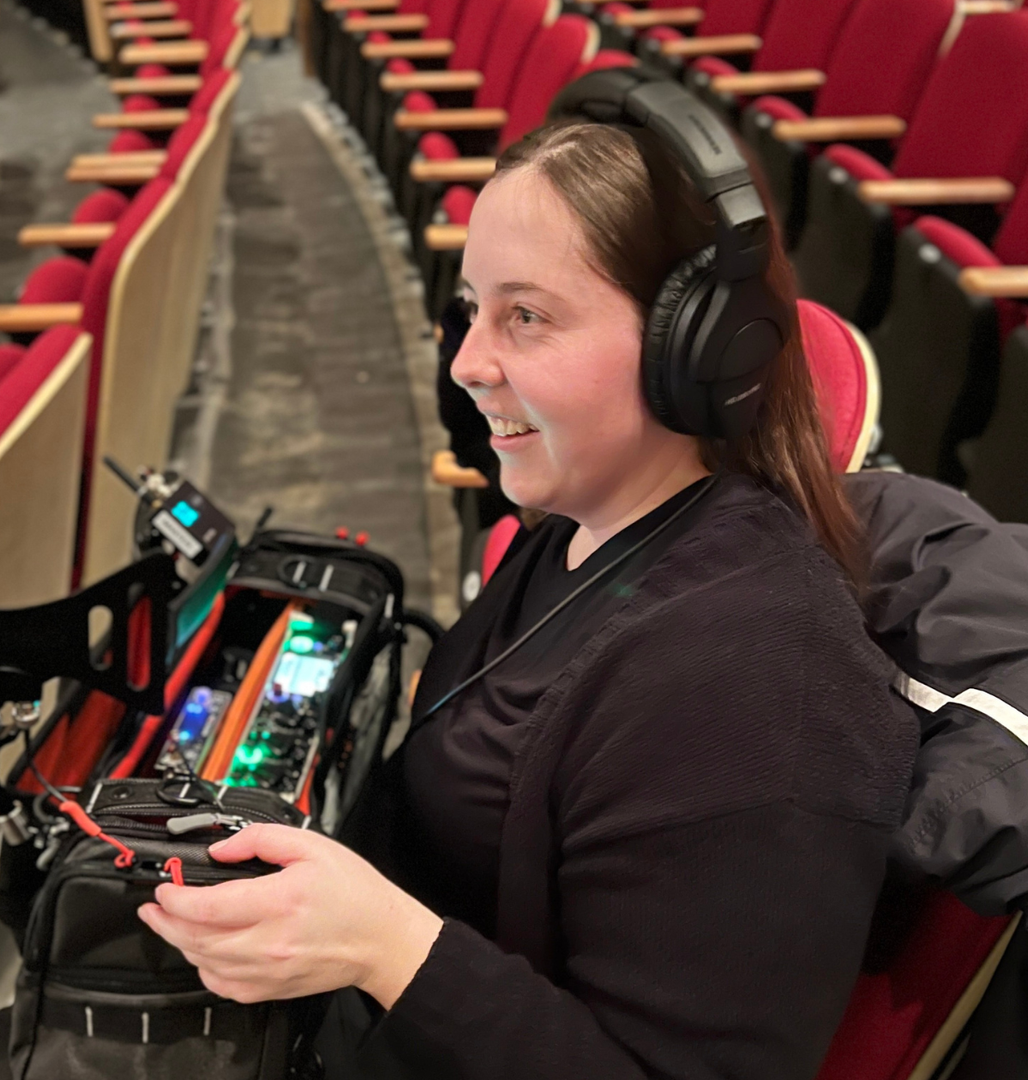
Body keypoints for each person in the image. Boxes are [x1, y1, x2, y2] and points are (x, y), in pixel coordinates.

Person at [136, 94, 916, 1077]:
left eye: (527, 317)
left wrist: (385, 947)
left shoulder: (763, 684)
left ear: (698, 353)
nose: (466, 363)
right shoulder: (590, 532)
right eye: (471, 311)